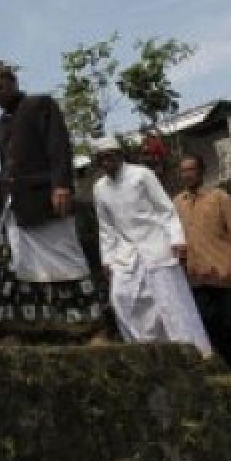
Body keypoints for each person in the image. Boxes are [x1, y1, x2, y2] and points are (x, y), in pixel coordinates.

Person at [0, 60, 101, 343]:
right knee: (19, 265)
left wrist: (61, 185)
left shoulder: (39, 105)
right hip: (18, 204)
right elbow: (9, 169)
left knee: (69, 261)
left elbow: (59, 146)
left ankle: (93, 328)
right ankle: (24, 329)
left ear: (12, 81)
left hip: (48, 196)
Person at [92, 137, 211, 356]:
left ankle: (190, 352)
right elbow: (106, 228)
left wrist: (177, 239)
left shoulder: (141, 174)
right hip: (125, 254)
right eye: (100, 160)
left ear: (119, 155)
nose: (105, 163)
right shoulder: (99, 188)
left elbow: (165, 209)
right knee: (122, 299)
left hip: (156, 246)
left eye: (109, 157)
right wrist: (107, 258)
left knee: (169, 302)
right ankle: (145, 351)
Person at [173, 154, 231, 371]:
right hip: (196, 279)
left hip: (225, 275)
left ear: (202, 172)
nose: (187, 175)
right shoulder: (178, 203)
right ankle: (227, 372)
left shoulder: (220, 198)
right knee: (209, 329)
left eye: (191, 170)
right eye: (183, 171)